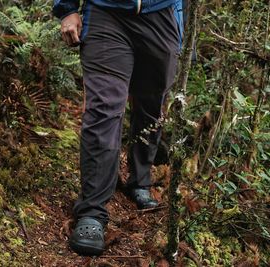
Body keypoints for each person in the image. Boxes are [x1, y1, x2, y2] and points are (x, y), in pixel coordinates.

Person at [53, 0, 184, 256]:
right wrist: (68, 8)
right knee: (104, 107)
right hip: (106, 13)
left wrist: (183, 28)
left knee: (152, 105)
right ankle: (92, 210)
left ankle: (140, 179)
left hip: (162, 14)